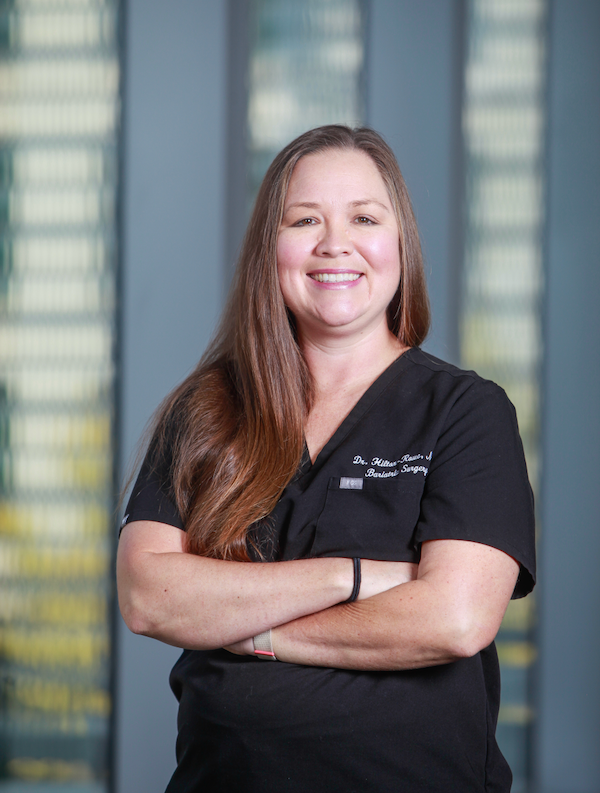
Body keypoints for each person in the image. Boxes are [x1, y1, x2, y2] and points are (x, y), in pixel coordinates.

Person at [117, 125, 535, 793]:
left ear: (400, 245)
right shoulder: (207, 411)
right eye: (304, 219)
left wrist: (255, 632)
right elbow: (148, 596)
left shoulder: (466, 412)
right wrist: (354, 576)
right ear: (269, 249)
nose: (334, 242)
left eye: (364, 218)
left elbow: (454, 619)